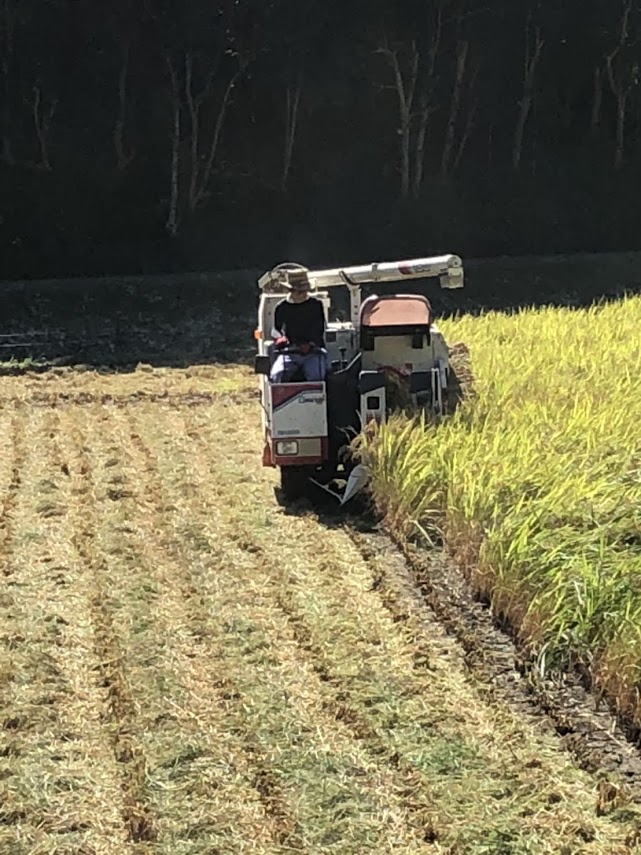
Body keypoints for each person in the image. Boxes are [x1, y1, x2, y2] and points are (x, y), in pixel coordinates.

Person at [269, 270, 327, 383]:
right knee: (277, 375)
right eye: (299, 291)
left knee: (317, 376)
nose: (303, 294)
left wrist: (310, 344)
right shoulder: (281, 307)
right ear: (291, 290)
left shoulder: (316, 305)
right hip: (289, 352)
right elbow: (275, 329)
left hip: (313, 352)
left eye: (305, 290)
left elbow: (319, 329)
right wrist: (280, 338)